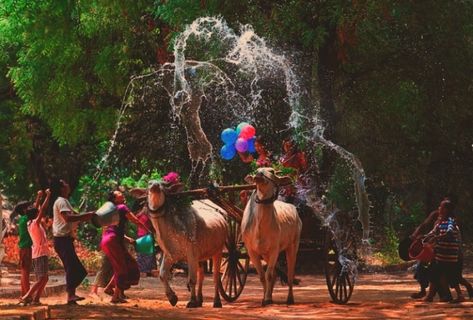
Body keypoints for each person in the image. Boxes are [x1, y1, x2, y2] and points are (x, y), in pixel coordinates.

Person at [51, 179, 96, 305]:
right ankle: (70, 295)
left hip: (64, 240)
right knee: (72, 268)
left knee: (77, 269)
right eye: (65, 183)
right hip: (62, 240)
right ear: (61, 188)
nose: (68, 184)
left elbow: (75, 216)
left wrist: (86, 216)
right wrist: (87, 215)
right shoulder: (61, 201)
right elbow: (68, 218)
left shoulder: (65, 202)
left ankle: (71, 293)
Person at [100, 190, 143, 303]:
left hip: (107, 240)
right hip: (113, 241)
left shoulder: (111, 211)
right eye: (119, 193)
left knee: (125, 265)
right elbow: (135, 220)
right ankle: (115, 297)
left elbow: (110, 229)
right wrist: (151, 230)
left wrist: (127, 239)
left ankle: (109, 288)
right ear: (115, 199)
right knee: (122, 268)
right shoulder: (122, 207)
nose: (122, 194)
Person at [424, 200, 464, 303]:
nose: (439, 208)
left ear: (446, 210)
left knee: (449, 275)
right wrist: (425, 237)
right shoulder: (441, 222)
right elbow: (433, 232)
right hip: (441, 254)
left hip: (449, 254)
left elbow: (449, 233)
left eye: (441, 207)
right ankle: (431, 296)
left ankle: (459, 295)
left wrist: (436, 238)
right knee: (436, 274)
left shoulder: (451, 221)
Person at [18, 189, 51, 306]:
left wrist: (39, 197)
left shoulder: (28, 222)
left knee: (45, 278)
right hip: (40, 253)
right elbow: (42, 209)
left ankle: (36, 299)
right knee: (41, 278)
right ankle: (27, 296)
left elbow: (38, 209)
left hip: (40, 252)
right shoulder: (34, 223)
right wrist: (47, 196)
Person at [13, 190, 44, 298]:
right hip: (26, 248)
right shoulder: (27, 219)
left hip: (23, 248)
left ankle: (24, 293)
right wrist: (39, 197)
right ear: (24, 210)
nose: (30, 208)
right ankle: (27, 295)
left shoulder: (23, 219)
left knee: (24, 271)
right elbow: (36, 210)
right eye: (28, 207)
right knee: (25, 272)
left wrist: (38, 197)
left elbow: (34, 209)